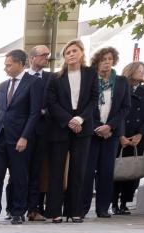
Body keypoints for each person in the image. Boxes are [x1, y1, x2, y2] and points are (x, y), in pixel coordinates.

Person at [0, 49, 43, 226]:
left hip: (19, 139)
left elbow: (34, 114)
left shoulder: (33, 83)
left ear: (20, 63)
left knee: (19, 176)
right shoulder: (2, 86)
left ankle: (18, 212)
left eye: (8, 65)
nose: (5, 68)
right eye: (5, 65)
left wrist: (24, 137)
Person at [44, 39, 98, 222]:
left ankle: (75, 211)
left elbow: (93, 100)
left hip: (83, 125)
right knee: (57, 169)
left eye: (74, 51)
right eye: (67, 52)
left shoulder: (91, 74)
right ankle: (54, 211)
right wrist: (68, 120)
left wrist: (80, 118)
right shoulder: (55, 77)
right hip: (60, 126)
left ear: (81, 53)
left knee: (78, 169)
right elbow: (51, 102)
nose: (71, 55)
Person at [82, 46, 129, 219]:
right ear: (97, 62)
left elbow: (125, 108)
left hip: (111, 133)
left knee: (106, 171)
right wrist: (96, 127)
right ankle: (83, 207)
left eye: (109, 59)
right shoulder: (90, 79)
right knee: (87, 171)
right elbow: (84, 105)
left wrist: (110, 127)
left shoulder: (122, 81)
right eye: (103, 59)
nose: (107, 62)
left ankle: (102, 208)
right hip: (92, 131)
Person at [114, 61, 144, 215]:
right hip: (120, 134)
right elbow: (117, 112)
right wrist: (121, 135)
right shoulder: (120, 88)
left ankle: (124, 202)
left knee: (132, 170)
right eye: (139, 69)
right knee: (117, 167)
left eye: (143, 70)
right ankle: (113, 202)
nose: (142, 72)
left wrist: (141, 133)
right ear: (130, 70)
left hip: (138, 136)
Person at [25, 45, 52, 220]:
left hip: (42, 130)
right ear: (32, 58)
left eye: (48, 56)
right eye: (43, 55)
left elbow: (56, 101)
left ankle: (34, 209)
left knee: (37, 171)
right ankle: (16, 208)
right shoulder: (22, 77)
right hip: (22, 132)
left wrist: (43, 112)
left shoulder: (51, 78)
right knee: (19, 171)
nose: (46, 59)